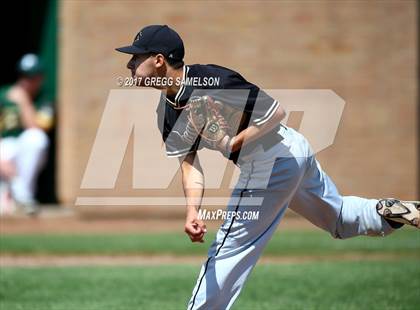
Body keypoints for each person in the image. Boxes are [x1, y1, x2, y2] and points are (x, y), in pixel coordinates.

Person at [116, 25, 419, 309]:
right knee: (338, 219)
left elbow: (275, 111)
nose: (130, 65)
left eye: (136, 57)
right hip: (290, 153)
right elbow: (188, 162)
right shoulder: (166, 112)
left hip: (270, 160)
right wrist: (193, 210)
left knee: (228, 250)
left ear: (158, 61)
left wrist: (233, 143)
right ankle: (394, 210)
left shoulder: (212, 79)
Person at [0, 54, 50, 215]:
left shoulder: (45, 99)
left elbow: (36, 128)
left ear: (40, 78)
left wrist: (22, 101)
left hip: (23, 154)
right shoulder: (3, 94)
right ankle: (20, 197)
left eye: (31, 77)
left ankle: (23, 197)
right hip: (4, 150)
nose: (25, 81)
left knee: (36, 139)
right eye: (23, 76)